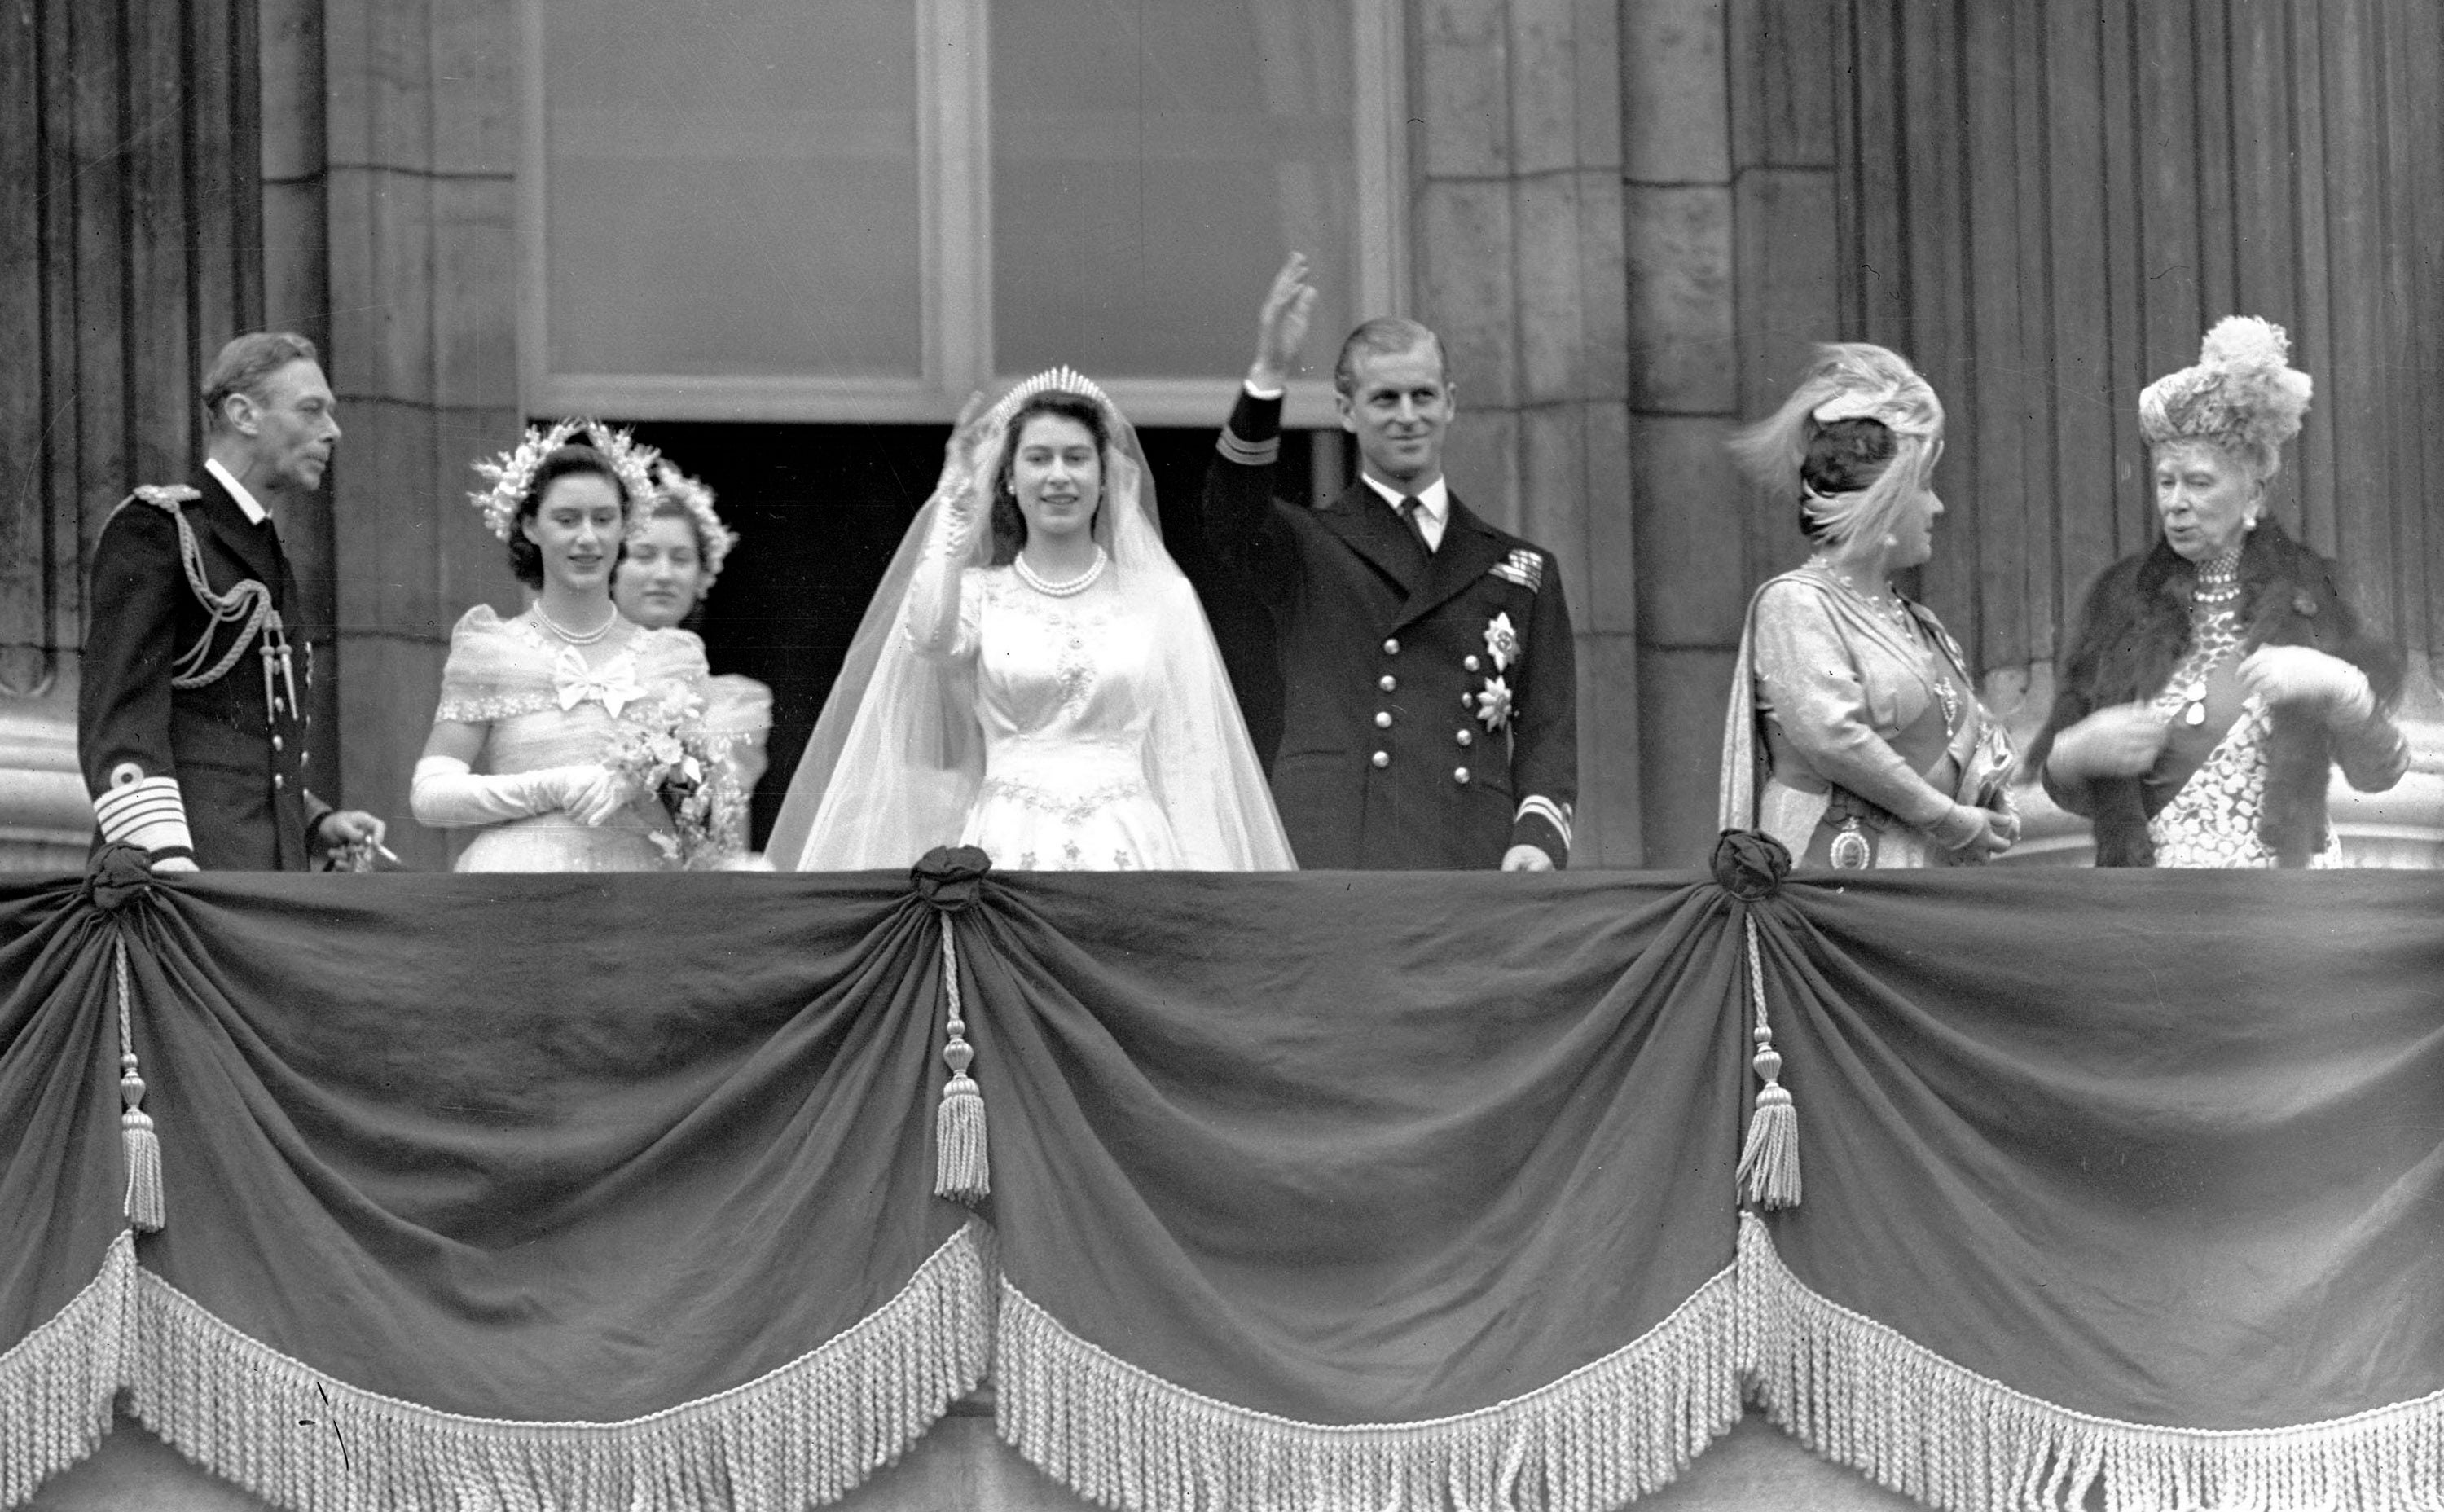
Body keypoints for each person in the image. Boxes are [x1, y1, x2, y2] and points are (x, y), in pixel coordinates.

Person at [767, 367, 1294, 872]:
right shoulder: (980, 594)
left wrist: (1202, 879)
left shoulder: (1163, 599)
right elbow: (928, 636)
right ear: (1011, 480)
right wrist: (955, 497)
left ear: (1105, 478)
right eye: (1038, 458)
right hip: (1008, 843)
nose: (1058, 476)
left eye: (1077, 458)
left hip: (1130, 846)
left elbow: (1190, 756)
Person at [1202, 255, 1577, 870]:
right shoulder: (1307, 544)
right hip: (1339, 851)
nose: (1408, 415)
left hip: (1469, 851)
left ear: (1450, 403)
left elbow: (1549, 732)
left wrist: (1536, 838)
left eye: (1423, 395)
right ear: (1347, 412)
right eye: (1385, 398)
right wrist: (1270, 370)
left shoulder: (1521, 567)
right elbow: (1229, 512)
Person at [2028, 318, 2407, 867]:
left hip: (2282, 911)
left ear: (2253, 493)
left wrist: (2344, 688)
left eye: (2199, 482)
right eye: (2166, 481)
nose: (2175, 502)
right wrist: (2071, 754)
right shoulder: (2118, 601)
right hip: (2157, 916)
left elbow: (2382, 773)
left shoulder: (2312, 593)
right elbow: (2067, 793)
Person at [77, 332, 386, 872]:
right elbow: (121, 723)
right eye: (312, 410)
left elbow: (241, 740)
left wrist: (311, 822)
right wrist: (166, 863)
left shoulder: (263, 546)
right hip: (187, 876)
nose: (333, 432)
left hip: (267, 879)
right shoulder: (158, 531)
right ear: (244, 415)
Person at [1717, 345, 2017, 868]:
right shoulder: (1797, 605)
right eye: (1924, 487)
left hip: (1919, 876)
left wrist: (1992, 801)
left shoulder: (1921, 625)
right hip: (1830, 877)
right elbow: (1833, 736)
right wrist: (1949, 820)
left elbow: (1972, 739)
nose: (1938, 507)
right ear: (1885, 502)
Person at [410, 421, 714, 872]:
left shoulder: (670, 658)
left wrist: (644, 774)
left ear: (625, 528)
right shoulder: (492, 649)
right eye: (567, 519)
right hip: (521, 883)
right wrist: (551, 787)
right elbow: (430, 795)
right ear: (531, 526)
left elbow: (702, 810)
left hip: (637, 890)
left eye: (604, 519)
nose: (588, 538)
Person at [613, 459, 769, 855]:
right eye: (644, 555)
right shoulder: (579, 676)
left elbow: (722, 831)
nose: (664, 574)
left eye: (681, 559)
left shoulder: (736, 701)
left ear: (702, 576)